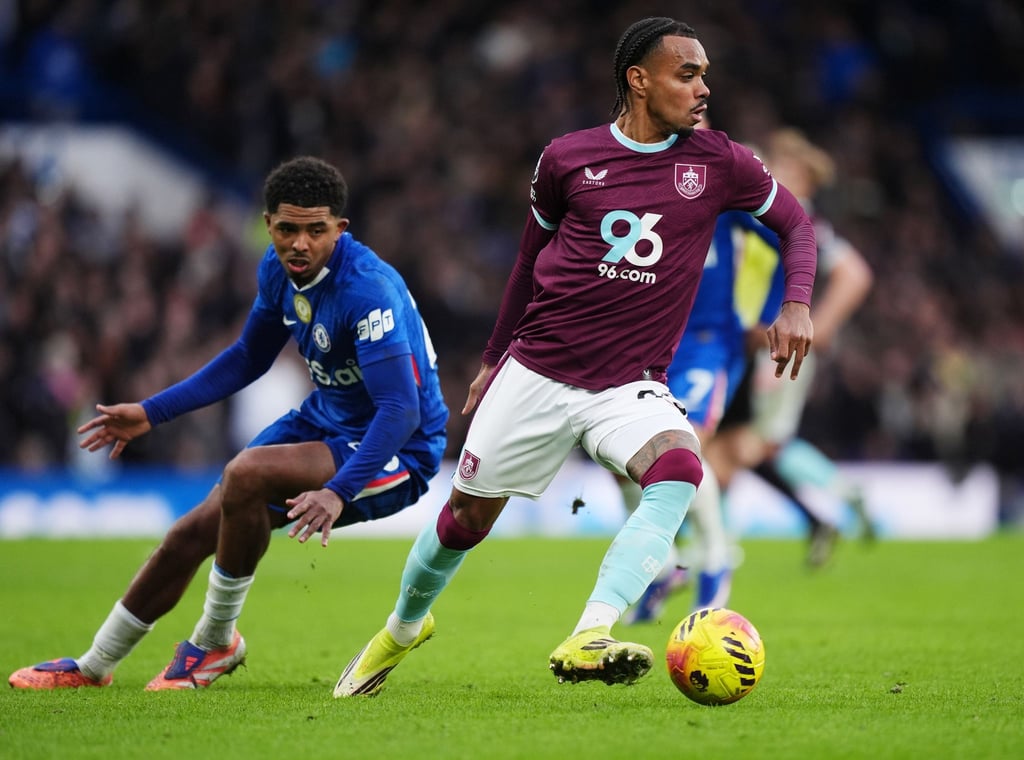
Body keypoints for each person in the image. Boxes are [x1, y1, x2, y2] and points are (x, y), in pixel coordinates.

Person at [332, 16, 816, 697]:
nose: (704, 87)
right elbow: (529, 263)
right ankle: (402, 629)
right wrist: (495, 358)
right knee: (465, 520)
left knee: (679, 467)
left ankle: (592, 631)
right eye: (688, 74)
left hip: (628, 385)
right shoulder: (567, 159)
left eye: (705, 73)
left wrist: (794, 303)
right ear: (638, 80)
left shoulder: (719, 161)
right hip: (538, 372)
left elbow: (795, 223)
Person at [9, 156, 449, 690]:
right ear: (268, 225)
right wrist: (152, 412)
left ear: (341, 228)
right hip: (328, 419)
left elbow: (401, 410)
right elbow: (247, 357)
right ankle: (94, 665)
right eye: (287, 229)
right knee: (195, 528)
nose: (300, 245)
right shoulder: (276, 270)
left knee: (245, 473)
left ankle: (215, 642)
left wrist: (337, 492)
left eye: (316, 231)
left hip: (396, 449)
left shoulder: (367, 290)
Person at [706, 127, 874, 566]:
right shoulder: (768, 216)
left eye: (782, 167)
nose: (772, 174)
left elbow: (855, 273)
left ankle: (838, 494)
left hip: (773, 349)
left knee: (754, 446)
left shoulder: (804, 219)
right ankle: (718, 543)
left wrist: (816, 327)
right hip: (749, 342)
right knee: (733, 443)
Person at [621, 209, 785, 623]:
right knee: (621, 457)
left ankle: (715, 559)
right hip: (647, 338)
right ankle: (666, 567)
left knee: (683, 448)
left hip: (705, 343)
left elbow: (789, 237)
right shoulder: (642, 184)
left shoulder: (723, 192)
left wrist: (769, 313)